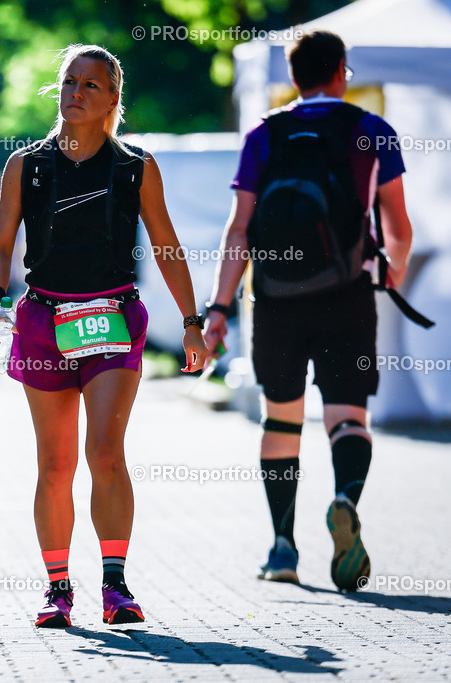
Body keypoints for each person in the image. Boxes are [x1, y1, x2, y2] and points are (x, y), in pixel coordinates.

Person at [0, 44, 208, 627]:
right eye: (69, 81)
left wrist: (191, 323)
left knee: (105, 451)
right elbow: (3, 242)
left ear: (112, 98)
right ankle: (58, 590)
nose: (76, 92)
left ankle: (115, 585)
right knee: (54, 464)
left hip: (111, 316)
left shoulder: (136, 166)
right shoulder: (25, 166)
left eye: (90, 84)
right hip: (43, 321)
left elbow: (166, 245)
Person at [204, 31, 414, 592]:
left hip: (275, 298)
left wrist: (220, 307)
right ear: (342, 71)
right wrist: (389, 271)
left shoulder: (263, 135)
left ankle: (281, 548)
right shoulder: (370, 131)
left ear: (293, 78)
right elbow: (396, 224)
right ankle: (345, 497)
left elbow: (240, 228)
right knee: (348, 416)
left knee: (282, 419)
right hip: (347, 294)